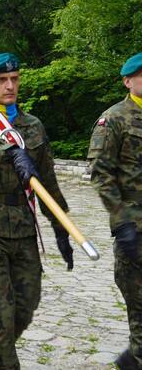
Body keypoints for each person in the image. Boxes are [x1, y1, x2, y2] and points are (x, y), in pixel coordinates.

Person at [0, 53, 73, 369]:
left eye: (14, 79)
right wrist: (11, 152)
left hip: (22, 229)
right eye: (1, 80)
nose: (9, 85)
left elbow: (46, 180)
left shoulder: (32, 126)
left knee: (26, 306)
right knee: (2, 313)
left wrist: (61, 226)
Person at [88, 52, 142, 370]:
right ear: (127, 80)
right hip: (135, 228)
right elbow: (100, 171)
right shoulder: (114, 119)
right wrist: (121, 221)